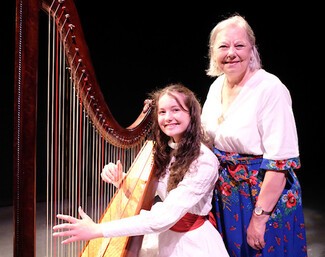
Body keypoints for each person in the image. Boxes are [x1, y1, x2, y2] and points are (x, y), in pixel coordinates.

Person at [52, 83, 230, 257]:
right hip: (166, 237)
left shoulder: (203, 160)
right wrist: (121, 179)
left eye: (176, 110)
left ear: (191, 113)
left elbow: (164, 217)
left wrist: (99, 229)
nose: (168, 117)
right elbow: (150, 191)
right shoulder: (166, 150)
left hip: (192, 243)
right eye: (162, 112)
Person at [200, 14, 308, 257]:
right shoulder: (216, 86)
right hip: (227, 195)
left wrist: (259, 219)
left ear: (252, 49)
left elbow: (280, 163)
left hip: (262, 196)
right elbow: (204, 138)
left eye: (239, 45)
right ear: (213, 52)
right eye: (223, 46)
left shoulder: (270, 89)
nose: (231, 53)